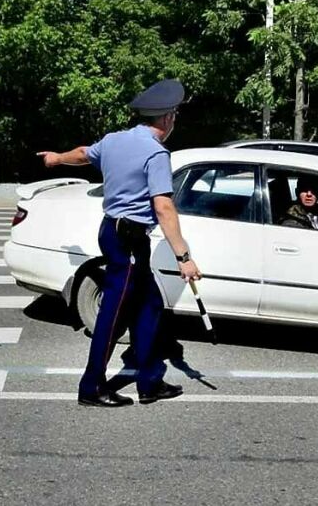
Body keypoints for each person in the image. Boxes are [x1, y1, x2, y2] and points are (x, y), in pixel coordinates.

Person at [38, 79, 202, 407]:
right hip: (127, 241)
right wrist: (184, 257)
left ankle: (149, 381)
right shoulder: (156, 153)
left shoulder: (114, 140)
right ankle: (92, 387)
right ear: (168, 118)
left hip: (115, 233)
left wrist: (57, 159)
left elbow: (84, 154)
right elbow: (164, 207)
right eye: (175, 116)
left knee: (151, 305)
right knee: (113, 316)